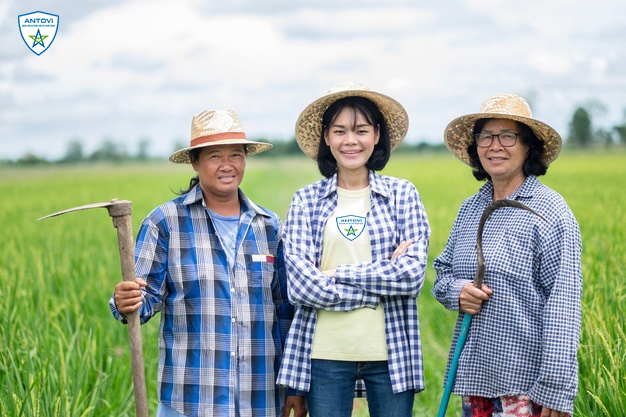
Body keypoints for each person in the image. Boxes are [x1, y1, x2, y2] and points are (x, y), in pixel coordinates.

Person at [109, 109, 307, 417]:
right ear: (195, 161)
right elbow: (142, 300)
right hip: (191, 401)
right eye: (215, 156)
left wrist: (295, 387)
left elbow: (286, 312)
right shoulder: (165, 223)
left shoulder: (269, 226)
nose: (227, 166)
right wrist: (126, 300)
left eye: (236, 155)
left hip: (261, 398)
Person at [276, 83, 431, 417]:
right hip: (325, 354)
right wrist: (377, 286)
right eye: (340, 131)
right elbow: (301, 286)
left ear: (376, 135)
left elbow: (411, 277)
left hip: (391, 353)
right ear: (326, 138)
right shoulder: (305, 200)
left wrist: (334, 274)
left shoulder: (403, 195)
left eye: (361, 130)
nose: (351, 140)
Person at [432, 94, 582, 417]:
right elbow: (442, 273)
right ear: (476, 147)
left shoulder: (551, 212)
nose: (494, 145)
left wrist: (557, 389)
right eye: (485, 136)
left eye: (507, 136)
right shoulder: (471, 209)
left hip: (527, 391)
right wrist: (458, 291)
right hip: (475, 383)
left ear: (528, 146)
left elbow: (564, 305)